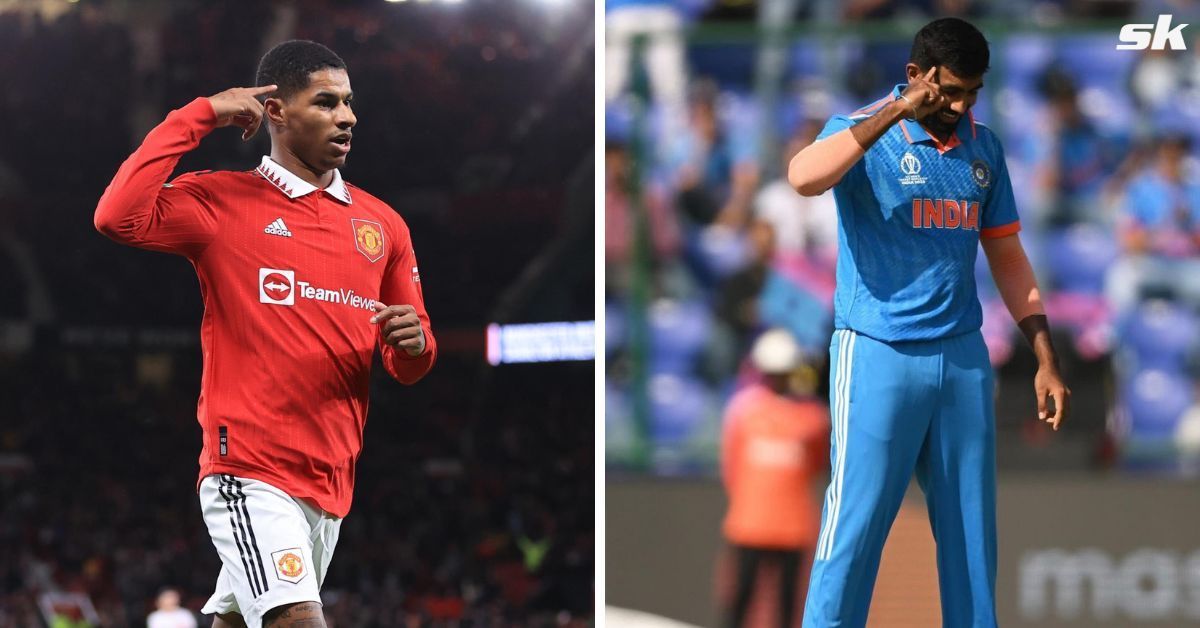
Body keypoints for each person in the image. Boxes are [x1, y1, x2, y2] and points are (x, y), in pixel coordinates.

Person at [94, 40, 437, 628]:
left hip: (331, 477)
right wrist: (200, 115)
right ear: (276, 110)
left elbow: (410, 361)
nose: (347, 116)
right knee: (298, 620)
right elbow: (117, 217)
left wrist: (415, 343)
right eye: (326, 102)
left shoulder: (383, 225)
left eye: (349, 103)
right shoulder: (222, 200)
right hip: (249, 466)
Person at [787, 18, 1070, 627]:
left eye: (973, 92)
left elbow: (1008, 255)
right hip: (877, 351)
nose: (961, 105)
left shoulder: (983, 147)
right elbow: (803, 177)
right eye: (949, 92)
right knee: (854, 533)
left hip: (962, 358)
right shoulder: (860, 131)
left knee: (972, 542)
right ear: (916, 76)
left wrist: (1044, 355)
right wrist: (894, 113)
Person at [720, 329, 828, 628]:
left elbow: (817, 464)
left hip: (792, 527)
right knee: (738, 603)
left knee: (787, 607)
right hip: (749, 525)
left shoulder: (813, 417)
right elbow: (732, 467)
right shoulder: (743, 411)